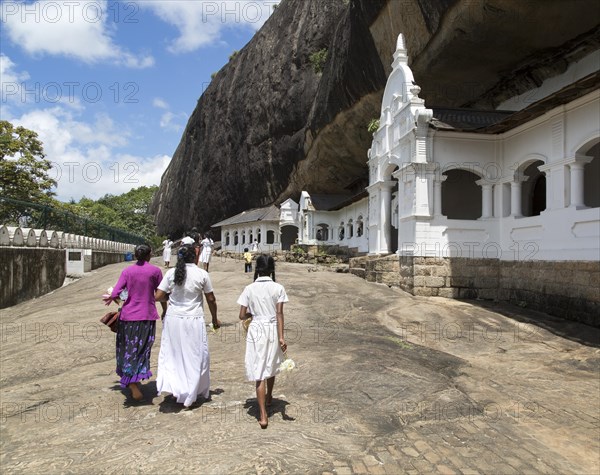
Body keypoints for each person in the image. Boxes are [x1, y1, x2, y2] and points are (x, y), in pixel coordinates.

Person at [155, 244, 221, 407]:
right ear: (195, 257)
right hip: (194, 319)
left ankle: (177, 388)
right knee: (195, 355)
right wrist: (214, 318)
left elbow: (158, 296)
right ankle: (192, 390)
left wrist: (172, 297)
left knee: (174, 353)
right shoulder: (201, 274)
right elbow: (211, 299)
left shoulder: (171, 273)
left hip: (174, 319)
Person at [104, 244, 165, 401]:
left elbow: (117, 292)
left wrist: (115, 297)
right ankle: (133, 381)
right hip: (147, 316)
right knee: (143, 348)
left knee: (128, 348)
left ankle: (131, 380)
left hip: (128, 317)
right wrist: (164, 309)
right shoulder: (155, 271)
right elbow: (162, 292)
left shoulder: (127, 271)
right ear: (149, 255)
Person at [237, 254, 288, 428]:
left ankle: (263, 416)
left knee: (259, 371)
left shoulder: (249, 288)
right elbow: (279, 313)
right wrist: (281, 336)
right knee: (272, 363)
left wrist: (254, 314)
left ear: (257, 269)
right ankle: (269, 397)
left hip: (256, 328)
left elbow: (242, 315)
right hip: (273, 328)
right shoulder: (278, 288)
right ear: (272, 269)